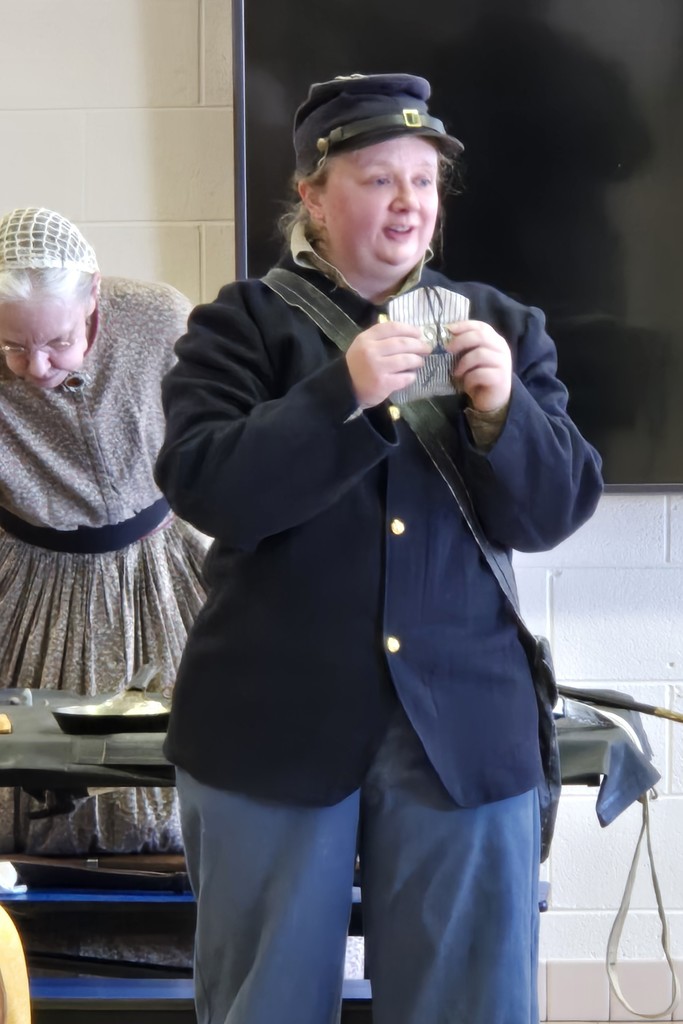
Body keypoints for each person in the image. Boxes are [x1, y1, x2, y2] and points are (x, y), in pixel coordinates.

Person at [154, 73, 604, 1024]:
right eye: (377, 179)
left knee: (469, 1005)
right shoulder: (237, 328)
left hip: (464, 730)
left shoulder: (503, 327)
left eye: (423, 181)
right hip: (268, 727)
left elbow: (554, 510)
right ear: (313, 197)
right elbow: (206, 489)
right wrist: (339, 396)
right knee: (264, 1004)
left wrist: (504, 414)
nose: (409, 202)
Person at [0, 207, 207, 859]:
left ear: (93, 294)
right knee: (32, 791)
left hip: (160, 567)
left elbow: (221, 428)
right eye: (12, 346)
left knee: (184, 790)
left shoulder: (158, 318)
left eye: (57, 342)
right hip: (28, 579)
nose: (36, 366)